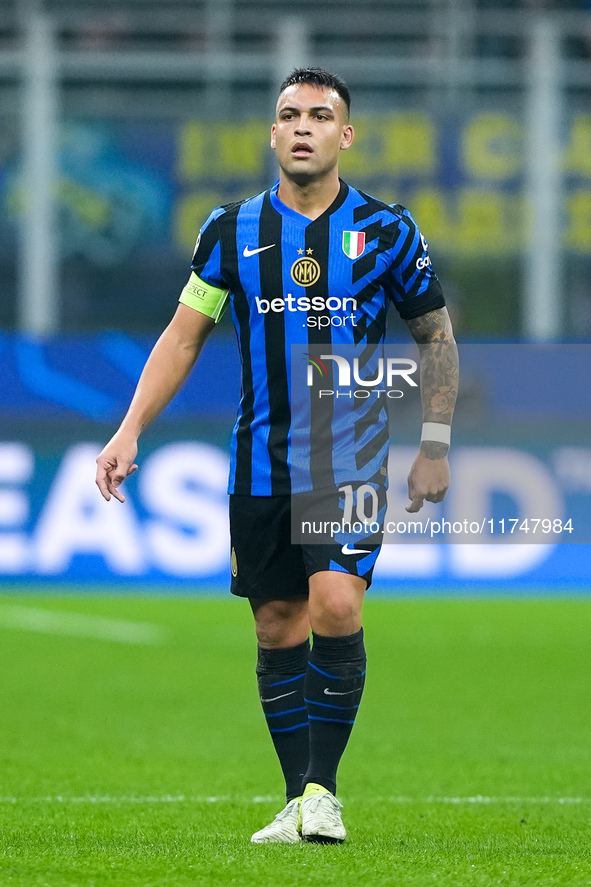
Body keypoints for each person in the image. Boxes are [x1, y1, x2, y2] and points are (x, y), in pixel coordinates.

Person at [95, 67, 458, 845]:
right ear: (271, 133)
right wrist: (129, 429)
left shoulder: (387, 230)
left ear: (344, 135)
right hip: (258, 464)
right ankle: (299, 799)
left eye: (319, 115)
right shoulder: (230, 230)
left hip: (348, 458)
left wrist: (435, 441)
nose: (302, 126)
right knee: (275, 625)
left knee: (335, 604)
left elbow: (434, 336)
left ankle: (323, 790)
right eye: (289, 114)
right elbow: (183, 335)